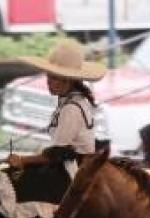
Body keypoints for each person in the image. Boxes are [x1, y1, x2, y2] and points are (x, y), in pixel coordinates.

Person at [6, 38, 106, 170]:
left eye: (54, 78)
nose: (48, 82)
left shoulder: (71, 108)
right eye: (48, 76)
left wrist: (22, 159)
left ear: (68, 80)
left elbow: (57, 154)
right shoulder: (75, 101)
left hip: (74, 170)